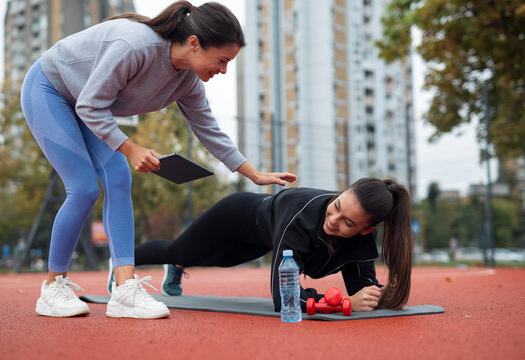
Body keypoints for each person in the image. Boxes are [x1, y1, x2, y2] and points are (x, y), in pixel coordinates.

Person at [20, 1, 296, 319]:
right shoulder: (134, 45)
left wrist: (254, 174)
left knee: (119, 177)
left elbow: (209, 130)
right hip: (50, 89)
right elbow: (91, 105)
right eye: (222, 60)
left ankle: (124, 290)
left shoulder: (187, 82)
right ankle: (53, 286)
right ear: (194, 43)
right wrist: (132, 148)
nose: (223, 70)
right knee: (83, 188)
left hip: (85, 102)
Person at [123, 178, 412, 313]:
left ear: (367, 230)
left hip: (261, 238)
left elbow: (363, 289)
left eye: (348, 222)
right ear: (339, 193)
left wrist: (373, 296)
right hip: (234, 215)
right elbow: (284, 299)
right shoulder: (300, 217)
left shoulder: (363, 238)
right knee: (178, 250)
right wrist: (345, 305)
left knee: (218, 260)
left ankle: (179, 264)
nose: (334, 220)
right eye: (336, 205)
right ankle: (122, 261)